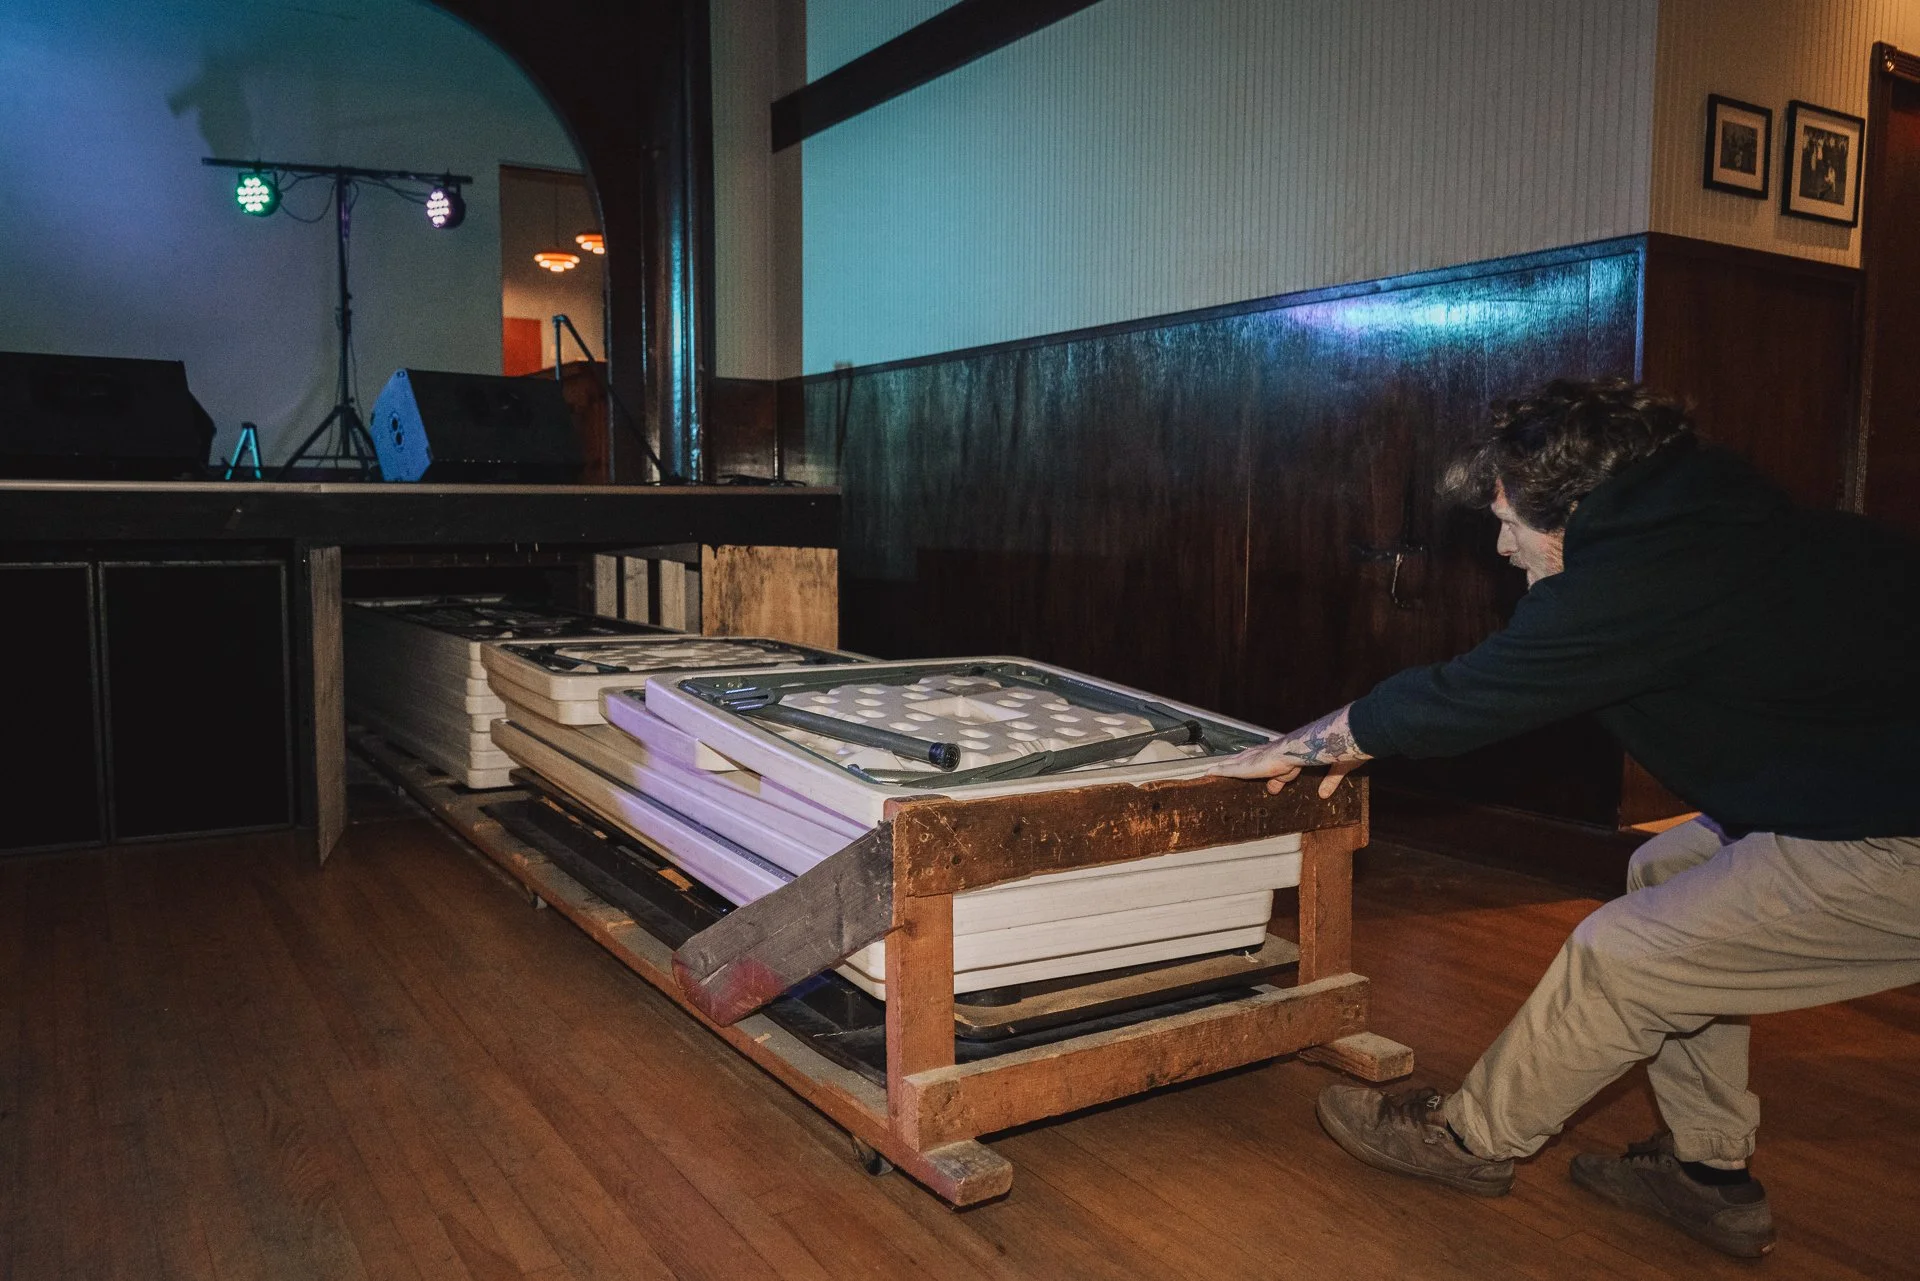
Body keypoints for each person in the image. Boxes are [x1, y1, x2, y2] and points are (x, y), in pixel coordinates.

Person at [1211, 379, 1920, 1259]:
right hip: (1858, 794)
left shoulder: (1646, 578)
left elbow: (1471, 695)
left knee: (1624, 952)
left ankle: (1469, 1140)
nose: (1501, 546)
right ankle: (1709, 1174)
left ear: (1578, 508)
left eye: (1508, 521)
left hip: (1898, 837)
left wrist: (1308, 743)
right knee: (1663, 870)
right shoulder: (1707, 523)